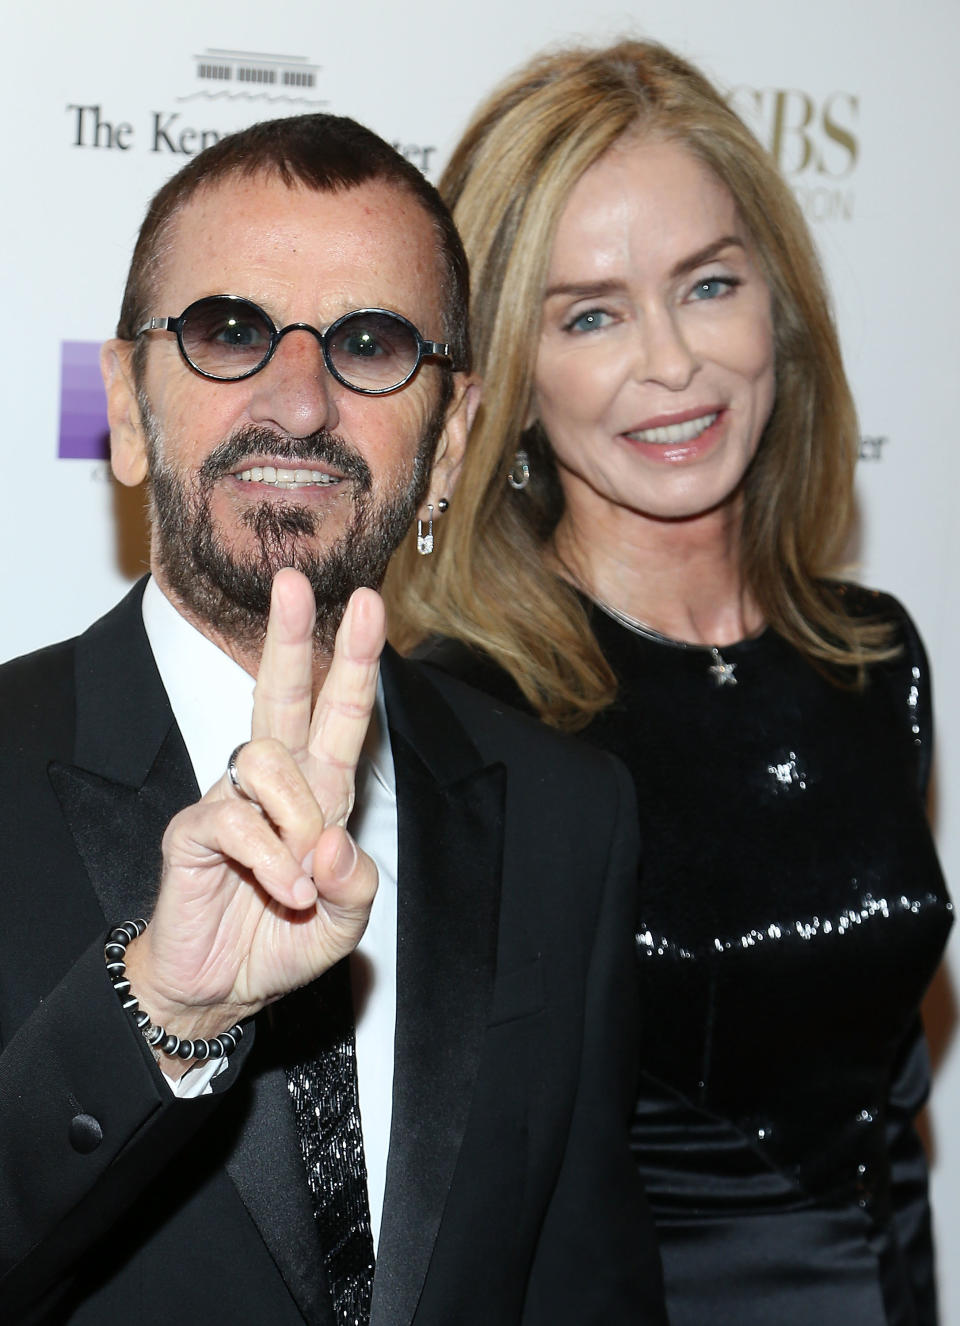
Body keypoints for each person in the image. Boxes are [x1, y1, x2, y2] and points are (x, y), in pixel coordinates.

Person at [0, 113, 668, 1325]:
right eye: (229, 331)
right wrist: (159, 1012)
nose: (299, 402)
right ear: (128, 410)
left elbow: (588, 1287)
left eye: (370, 343)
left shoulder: (572, 817)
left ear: (454, 438)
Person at [385, 39, 953, 1326]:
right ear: (512, 388)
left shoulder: (873, 659)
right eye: (590, 313)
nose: (673, 365)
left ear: (778, 305)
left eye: (707, 285)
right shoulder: (471, 716)